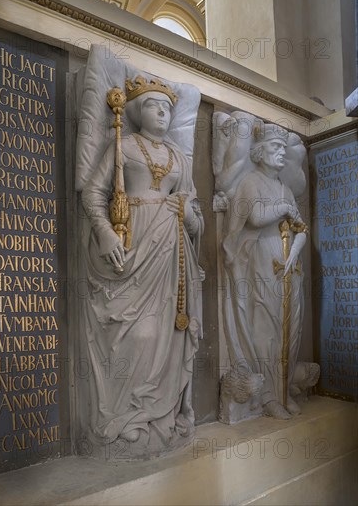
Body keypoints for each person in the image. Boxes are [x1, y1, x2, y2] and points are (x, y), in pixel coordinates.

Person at [80, 76, 203, 456]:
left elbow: (196, 218)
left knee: (166, 335)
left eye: (168, 107)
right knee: (135, 336)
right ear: (135, 111)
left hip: (170, 257)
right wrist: (104, 233)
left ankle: (158, 415)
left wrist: (185, 213)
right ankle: (123, 416)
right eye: (154, 105)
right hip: (129, 251)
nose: (163, 113)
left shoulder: (179, 159)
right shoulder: (123, 145)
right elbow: (93, 194)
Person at [223, 125, 308, 420]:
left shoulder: (285, 188)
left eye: (283, 147)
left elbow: (302, 229)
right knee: (267, 325)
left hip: (289, 266)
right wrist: (284, 207)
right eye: (275, 147)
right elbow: (256, 217)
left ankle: (284, 392)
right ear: (259, 153)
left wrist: (296, 251)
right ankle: (269, 396)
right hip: (262, 261)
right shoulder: (251, 182)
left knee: (291, 327)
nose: (281, 151)